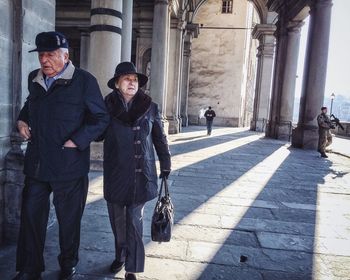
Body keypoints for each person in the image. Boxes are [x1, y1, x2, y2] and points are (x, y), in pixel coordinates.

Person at [14, 31, 109, 280]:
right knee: (31, 217)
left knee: (69, 220)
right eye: (42, 55)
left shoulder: (84, 81)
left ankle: (68, 264)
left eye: (51, 55)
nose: (45, 60)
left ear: (65, 56)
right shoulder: (33, 79)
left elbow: (100, 118)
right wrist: (22, 120)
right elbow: (30, 104)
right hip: (37, 163)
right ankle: (29, 268)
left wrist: (75, 141)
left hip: (69, 165)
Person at [102, 62, 171, 280]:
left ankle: (132, 267)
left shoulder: (151, 107)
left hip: (142, 172)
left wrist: (166, 163)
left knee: (134, 220)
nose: (132, 82)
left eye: (135, 79)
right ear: (116, 84)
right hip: (115, 172)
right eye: (127, 79)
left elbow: (159, 138)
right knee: (117, 220)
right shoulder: (106, 106)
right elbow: (97, 133)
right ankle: (120, 255)